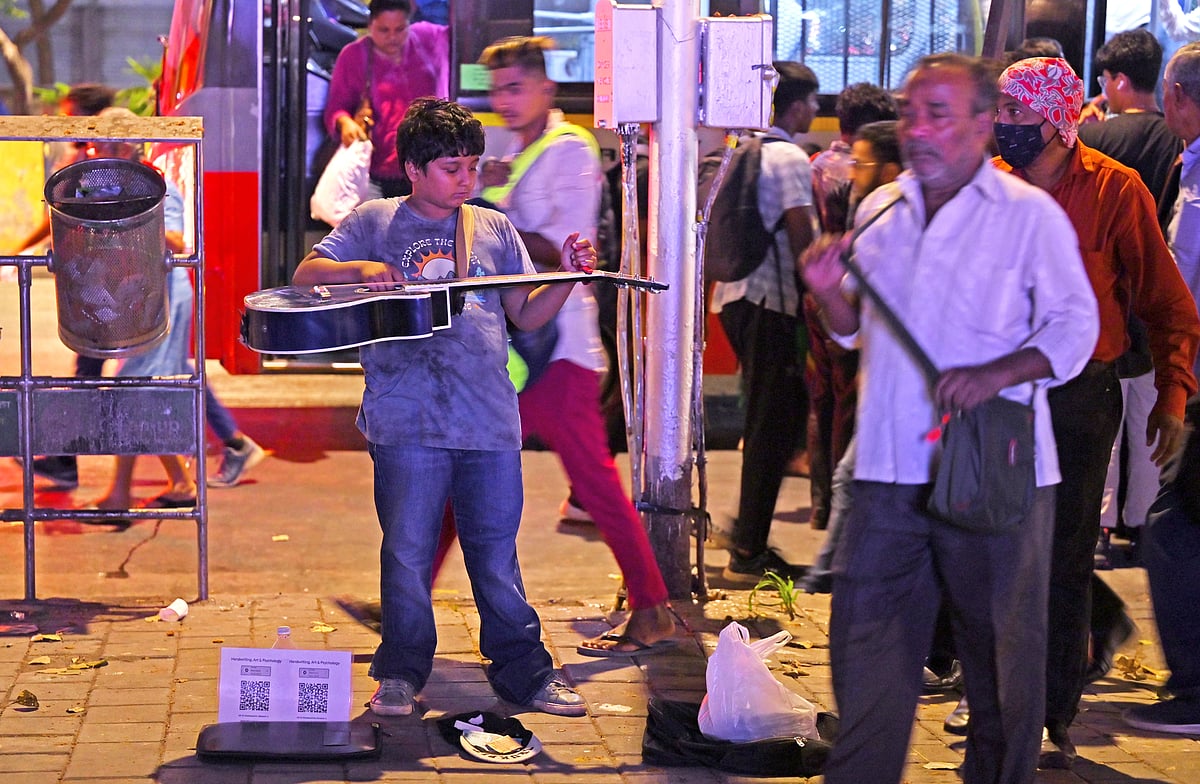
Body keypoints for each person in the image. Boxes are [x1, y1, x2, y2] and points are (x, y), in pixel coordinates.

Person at [801, 53, 1099, 784]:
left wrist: (996, 373)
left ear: (981, 122)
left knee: (1000, 659)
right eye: (911, 112)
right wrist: (826, 292)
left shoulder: (1028, 216)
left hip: (992, 473)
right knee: (866, 651)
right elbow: (852, 331)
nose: (920, 129)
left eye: (939, 113)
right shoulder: (883, 209)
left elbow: (1074, 327)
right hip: (886, 472)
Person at [292, 97, 597, 717]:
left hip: (488, 420)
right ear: (412, 168)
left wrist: (566, 276)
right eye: (451, 168)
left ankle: (526, 672)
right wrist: (362, 269)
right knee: (406, 552)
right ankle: (401, 671)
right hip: (405, 420)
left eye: (473, 166)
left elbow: (525, 312)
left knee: (495, 552)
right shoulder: (376, 221)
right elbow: (304, 275)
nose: (467, 180)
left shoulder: (493, 228)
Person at [993, 56, 1200, 769]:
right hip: (998, 395)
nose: (1002, 125)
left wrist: (1173, 396)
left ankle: (1050, 713)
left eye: (1014, 114)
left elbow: (1167, 305)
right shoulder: (988, 190)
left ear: (1054, 121)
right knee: (988, 547)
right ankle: (992, 698)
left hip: (1081, 397)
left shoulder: (1116, 191)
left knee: (1063, 556)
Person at [475, 35, 675, 656]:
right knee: (476, 465)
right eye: (495, 90)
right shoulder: (520, 150)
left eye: (514, 87)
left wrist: (483, 209)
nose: (503, 102)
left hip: (555, 348)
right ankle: (406, 599)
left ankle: (653, 608)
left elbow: (562, 249)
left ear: (545, 88)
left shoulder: (569, 149)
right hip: (528, 346)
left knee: (582, 480)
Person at [1079, 27, 1181, 680]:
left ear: (1115, 80)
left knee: (1103, 446)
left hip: (1096, 330)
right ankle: (1132, 533)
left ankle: (1098, 532)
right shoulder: (1179, 142)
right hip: (1151, 320)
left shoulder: (1091, 146)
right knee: (1145, 439)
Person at [709, 61, 820, 583]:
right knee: (772, 424)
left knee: (765, 421)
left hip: (731, 296)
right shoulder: (790, 157)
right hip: (769, 301)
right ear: (795, 106)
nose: (817, 112)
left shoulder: (742, 149)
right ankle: (748, 550)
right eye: (813, 103)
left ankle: (748, 539)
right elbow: (805, 241)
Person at [802, 120, 902, 594]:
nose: (853, 173)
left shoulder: (883, 206)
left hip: (919, 398)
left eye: (861, 164)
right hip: (898, 387)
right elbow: (851, 325)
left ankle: (829, 574)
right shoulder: (889, 209)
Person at [10, 84, 117, 488]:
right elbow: (59, 210)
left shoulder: (101, 162)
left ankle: (67, 459)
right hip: (95, 282)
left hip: (106, 285)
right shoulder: (90, 158)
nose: (64, 122)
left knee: (99, 369)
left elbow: (65, 210)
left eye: (70, 114)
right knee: (97, 367)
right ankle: (65, 457)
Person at [323, 0, 449, 200]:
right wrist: (345, 123)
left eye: (400, 29)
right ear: (370, 25)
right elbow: (336, 108)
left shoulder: (428, 39)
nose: (392, 37)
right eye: (383, 30)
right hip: (375, 171)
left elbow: (465, 34)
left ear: (410, 23)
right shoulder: (353, 56)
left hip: (428, 167)